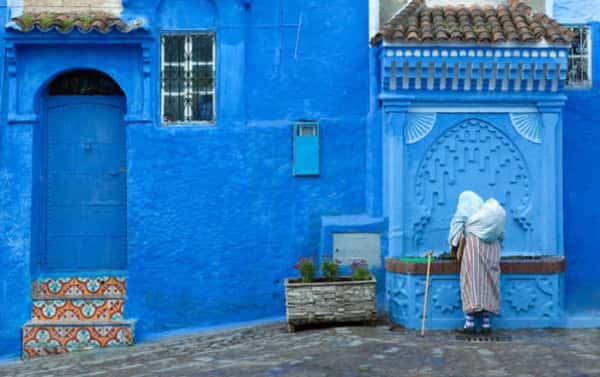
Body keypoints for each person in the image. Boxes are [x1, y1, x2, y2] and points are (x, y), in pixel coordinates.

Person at [448, 191, 506, 335]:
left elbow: (455, 235)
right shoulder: (487, 218)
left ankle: (469, 324)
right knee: (490, 283)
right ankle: (486, 325)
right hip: (493, 249)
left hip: (473, 249)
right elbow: (502, 236)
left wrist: (453, 247)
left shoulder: (465, 214)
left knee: (471, 283)